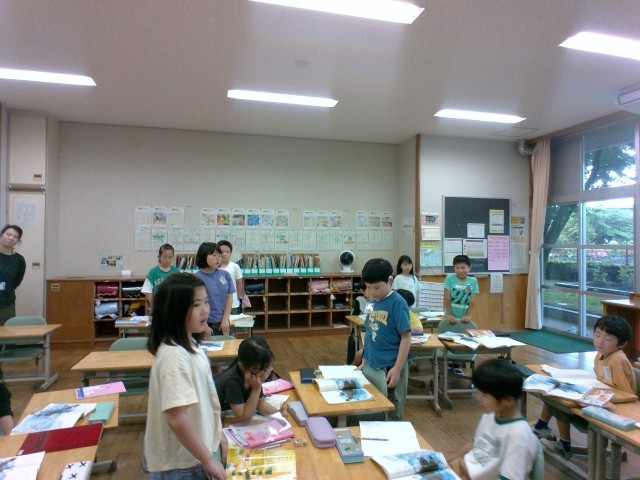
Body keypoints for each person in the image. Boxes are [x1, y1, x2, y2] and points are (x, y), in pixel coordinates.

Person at [144, 272, 227, 480]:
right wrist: (208, 459)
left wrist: (217, 434)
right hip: (182, 464)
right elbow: (176, 418)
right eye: (196, 305)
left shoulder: (190, 345)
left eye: (206, 302)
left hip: (195, 454)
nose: (205, 310)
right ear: (174, 310)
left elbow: (204, 400)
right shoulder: (174, 356)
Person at [533, 314, 636, 457]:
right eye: (597, 335)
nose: (600, 341)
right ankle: (556, 439)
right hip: (601, 400)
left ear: (621, 344)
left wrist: (596, 396)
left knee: (560, 403)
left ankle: (562, 444)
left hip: (612, 410)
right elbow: (602, 381)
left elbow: (627, 395)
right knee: (556, 397)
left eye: (608, 339)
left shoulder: (617, 360)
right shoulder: (600, 355)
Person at [446, 359, 538, 480]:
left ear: (507, 400)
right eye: (478, 391)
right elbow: (476, 445)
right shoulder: (491, 414)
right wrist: (446, 460)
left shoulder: (519, 435)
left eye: (484, 395)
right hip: (465, 470)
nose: (477, 397)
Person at [357, 258, 410, 420]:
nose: (372, 292)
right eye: (368, 287)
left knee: (393, 408)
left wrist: (397, 369)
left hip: (391, 366)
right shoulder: (373, 302)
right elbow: (369, 332)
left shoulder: (398, 303)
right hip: (373, 363)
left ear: (390, 281)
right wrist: (364, 360)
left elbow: (406, 338)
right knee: (375, 408)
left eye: (377, 287)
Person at [214, 336, 284, 422]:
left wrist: (278, 413)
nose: (264, 375)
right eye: (257, 370)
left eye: (266, 369)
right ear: (242, 366)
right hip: (213, 418)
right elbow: (243, 419)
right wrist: (256, 389)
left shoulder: (252, 376)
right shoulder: (233, 381)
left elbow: (260, 403)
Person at [195, 242, 235, 337]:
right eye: (214, 255)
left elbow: (229, 298)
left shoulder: (225, 275)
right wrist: (204, 325)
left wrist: (225, 320)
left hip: (222, 322)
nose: (218, 258)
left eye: (219, 256)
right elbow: (195, 305)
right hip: (204, 323)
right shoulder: (196, 278)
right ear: (203, 256)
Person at [140, 243, 180, 312]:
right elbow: (147, 291)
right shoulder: (153, 272)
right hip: (158, 307)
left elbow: (181, 290)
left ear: (173, 257)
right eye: (164, 257)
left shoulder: (177, 272)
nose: (167, 260)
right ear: (159, 257)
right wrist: (153, 305)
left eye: (170, 257)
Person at [0, 225, 26, 326]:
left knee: (7, 332)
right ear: (1, 235)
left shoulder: (19, 260)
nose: (11, 238)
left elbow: (16, 282)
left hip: (6, 303)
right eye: (8, 234)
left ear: (17, 241)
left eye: (15, 237)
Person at [444, 254, 478, 325]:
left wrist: (468, 315)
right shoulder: (450, 278)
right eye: (457, 268)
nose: (460, 270)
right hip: (450, 316)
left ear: (469, 267)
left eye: (463, 268)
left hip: (464, 317)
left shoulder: (473, 280)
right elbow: (447, 297)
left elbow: (472, 300)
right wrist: (449, 314)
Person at [218, 240, 245, 315]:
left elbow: (239, 283)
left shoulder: (234, 266)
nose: (224, 254)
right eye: (222, 252)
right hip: (217, 303)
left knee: (232, 321)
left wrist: (239, 298)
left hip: (233, 302)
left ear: (230, 253)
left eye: (227, 252)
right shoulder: (214, 267)